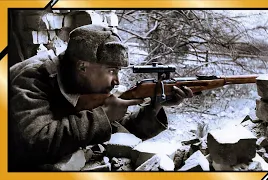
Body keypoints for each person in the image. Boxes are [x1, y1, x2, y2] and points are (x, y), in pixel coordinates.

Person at [8, 24, 193, 171]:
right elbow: (36, 142)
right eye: (111, 71)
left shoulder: (81, 82)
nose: (116, 81)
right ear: (82, 67)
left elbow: (120, 137)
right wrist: (102, 114)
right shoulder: (31, 78)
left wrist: (154, 108)